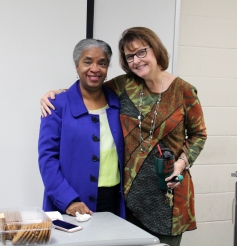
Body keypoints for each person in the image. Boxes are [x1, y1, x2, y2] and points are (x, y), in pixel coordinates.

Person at [40, 27, 207, 246]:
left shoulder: (183, 91)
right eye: (130, 57)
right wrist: (55, 93)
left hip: (166, 198)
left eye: (141, 52)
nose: (136, 61)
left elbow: (199, 134)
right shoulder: (125, 86)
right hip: (129, 202)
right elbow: (88, 86)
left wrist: (181, 164)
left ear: (155, 49)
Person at [38, 38, 126, 219]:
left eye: (102, 63)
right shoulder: (57, 105)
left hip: (112, 200)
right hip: (72, 203)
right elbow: (47, 159)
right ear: (77, 66)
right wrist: (69, 200)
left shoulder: (118, 102)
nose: (95, 69)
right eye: (87, 62)